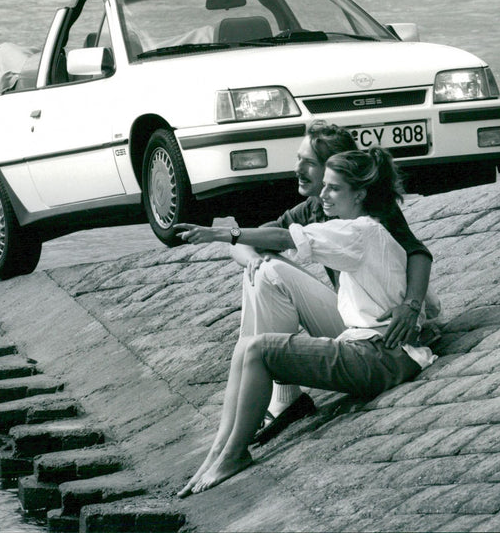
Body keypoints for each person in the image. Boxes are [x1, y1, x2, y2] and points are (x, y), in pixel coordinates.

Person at [174, 148, 438, 497]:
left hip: (382, 356)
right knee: (246, 346)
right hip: (369, 349)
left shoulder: (360, 231)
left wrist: (220, 234)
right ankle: (220, 450)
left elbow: (286, 239)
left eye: (333, 189)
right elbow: (285, 235)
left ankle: (234, 453)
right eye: (324, 186)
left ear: (359, 194)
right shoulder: (355, 228)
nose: (323, 195)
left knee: (258, 349)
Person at [226, 121, 438, 445]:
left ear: (335, 167)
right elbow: (243, 242)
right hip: (351, 320)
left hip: (383, 326)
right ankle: (282, 398)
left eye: (308, 162)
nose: (297, 169)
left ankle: (268, 396)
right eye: (299, 159)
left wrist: (410, 307)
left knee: (269, 271)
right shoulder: (312, 208)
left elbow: (419, 253)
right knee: (264, 269)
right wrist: (252, 258)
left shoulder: (372, 209)